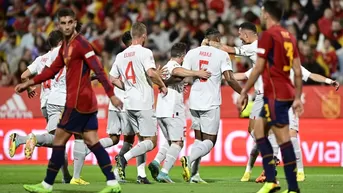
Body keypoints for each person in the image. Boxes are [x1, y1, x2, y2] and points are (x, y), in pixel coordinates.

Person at [15, 8, 122, 193]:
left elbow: (98, 69)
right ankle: (113, 184)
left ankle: (47, 185)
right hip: (81, 103)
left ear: (74, 23)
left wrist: (111, 94)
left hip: (80, 103)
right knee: (93, 144)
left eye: (69, 22)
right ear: (59, 25)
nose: (66, 26)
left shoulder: (81, 45)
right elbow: (51, 70)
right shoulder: (65, 47)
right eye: (62, 23)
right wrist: (29, 83)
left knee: (58, 140)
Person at [237, 1, 303, 193]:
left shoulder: (268, 36)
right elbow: (297, 71)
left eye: (262, 12)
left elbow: (258, 68)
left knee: (270, 136)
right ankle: (283, 183)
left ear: (266, 14)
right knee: (262, 132)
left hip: (274, 93)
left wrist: (243, 91)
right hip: (286, 93)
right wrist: (297, 97)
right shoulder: (289, 36)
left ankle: (282, 183)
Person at [204, 21, 281, 183]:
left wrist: (208, 42)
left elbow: (228, 49)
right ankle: (272, 158)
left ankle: (272, 159)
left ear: (247, 34)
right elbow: (245, 75)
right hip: (265, 94)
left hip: (267, 94)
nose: (238, 36)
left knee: (260, 132)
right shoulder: (261, 52)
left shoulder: (255, 46)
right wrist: (222, 76)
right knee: (254, 131)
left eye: (240, 34)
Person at [179, 28, 244, 183]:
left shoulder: (192, 53)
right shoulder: (222, 55)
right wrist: (243, 92)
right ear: (217, 40)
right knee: (210, 141)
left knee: (199, 140)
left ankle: (194, 175)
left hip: (194, 101)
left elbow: (184, 73)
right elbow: (229, 78)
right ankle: (188, 158)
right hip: (210, 102)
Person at [112, 22, 168, 181]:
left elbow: (112, 78)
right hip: (144, 103)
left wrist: (128, 87)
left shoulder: (121, 55)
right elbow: (151, 73)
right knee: (152, 142)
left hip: (129, 104)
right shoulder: (145, 52)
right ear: (144, 36)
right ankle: (124, 158)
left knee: (142, 139)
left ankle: (141, 175)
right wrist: (162, 85)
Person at [148, 42, 211, 183]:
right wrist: (197, 72)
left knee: (170, 141)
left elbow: (167, 78)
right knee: (178, 142)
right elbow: (176, 72)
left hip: (161, 111)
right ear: (183, 56)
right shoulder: (174, 66)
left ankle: (157, 162)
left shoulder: (164, 67)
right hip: (173, 110)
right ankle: (164, 173)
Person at [103, 30, 151, 184]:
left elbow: (112, 77)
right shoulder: (140, 55)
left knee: (116, 139)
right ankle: (138, 172)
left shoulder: (120, 56)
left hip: (114, 104)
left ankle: (91, 147)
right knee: (139, 140)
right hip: (128, 103)